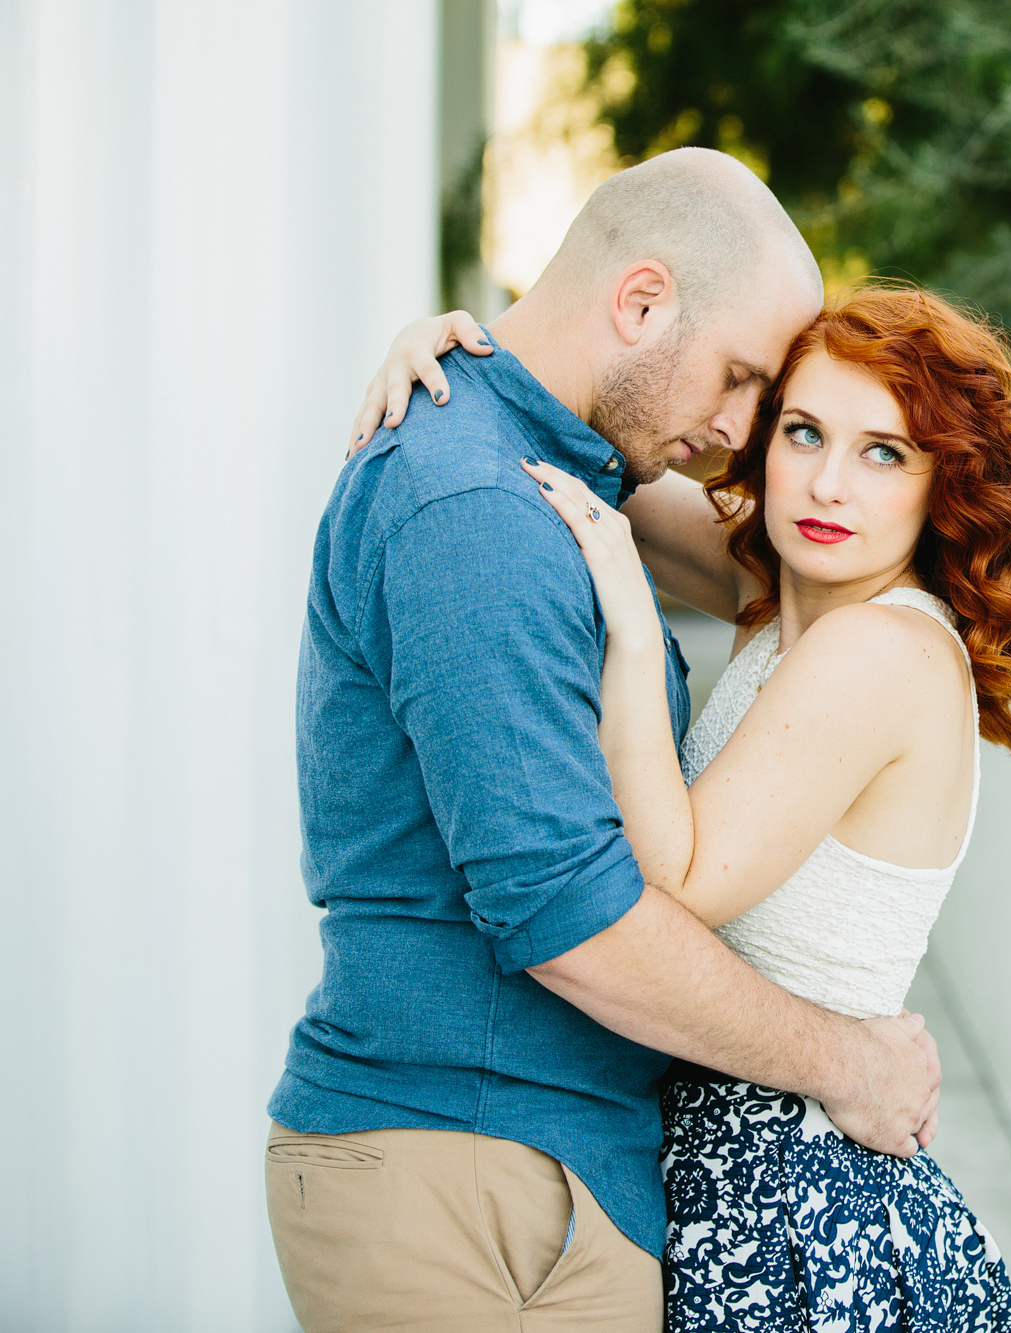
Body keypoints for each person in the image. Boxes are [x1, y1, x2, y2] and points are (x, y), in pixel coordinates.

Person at [267, 149, 943, 1333]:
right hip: (462, 1160)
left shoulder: (543, 477)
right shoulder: (472, 506)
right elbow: (566, 918)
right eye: (743, 384)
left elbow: (775, 547)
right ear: (638, 303)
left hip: (559, 1170)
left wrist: (479, 372)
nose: (741, 436)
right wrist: (847, 1061)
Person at [359, 281, 1011, 1329]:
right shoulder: (787, 589)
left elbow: (679, 879)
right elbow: (586, 458)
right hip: (731, 1164)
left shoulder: (879, 647)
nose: (828, 483)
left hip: (802, 1200)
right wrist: (453, 361)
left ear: (944, 485)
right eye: (803, 432)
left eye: (883, 452)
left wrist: (626, 624)